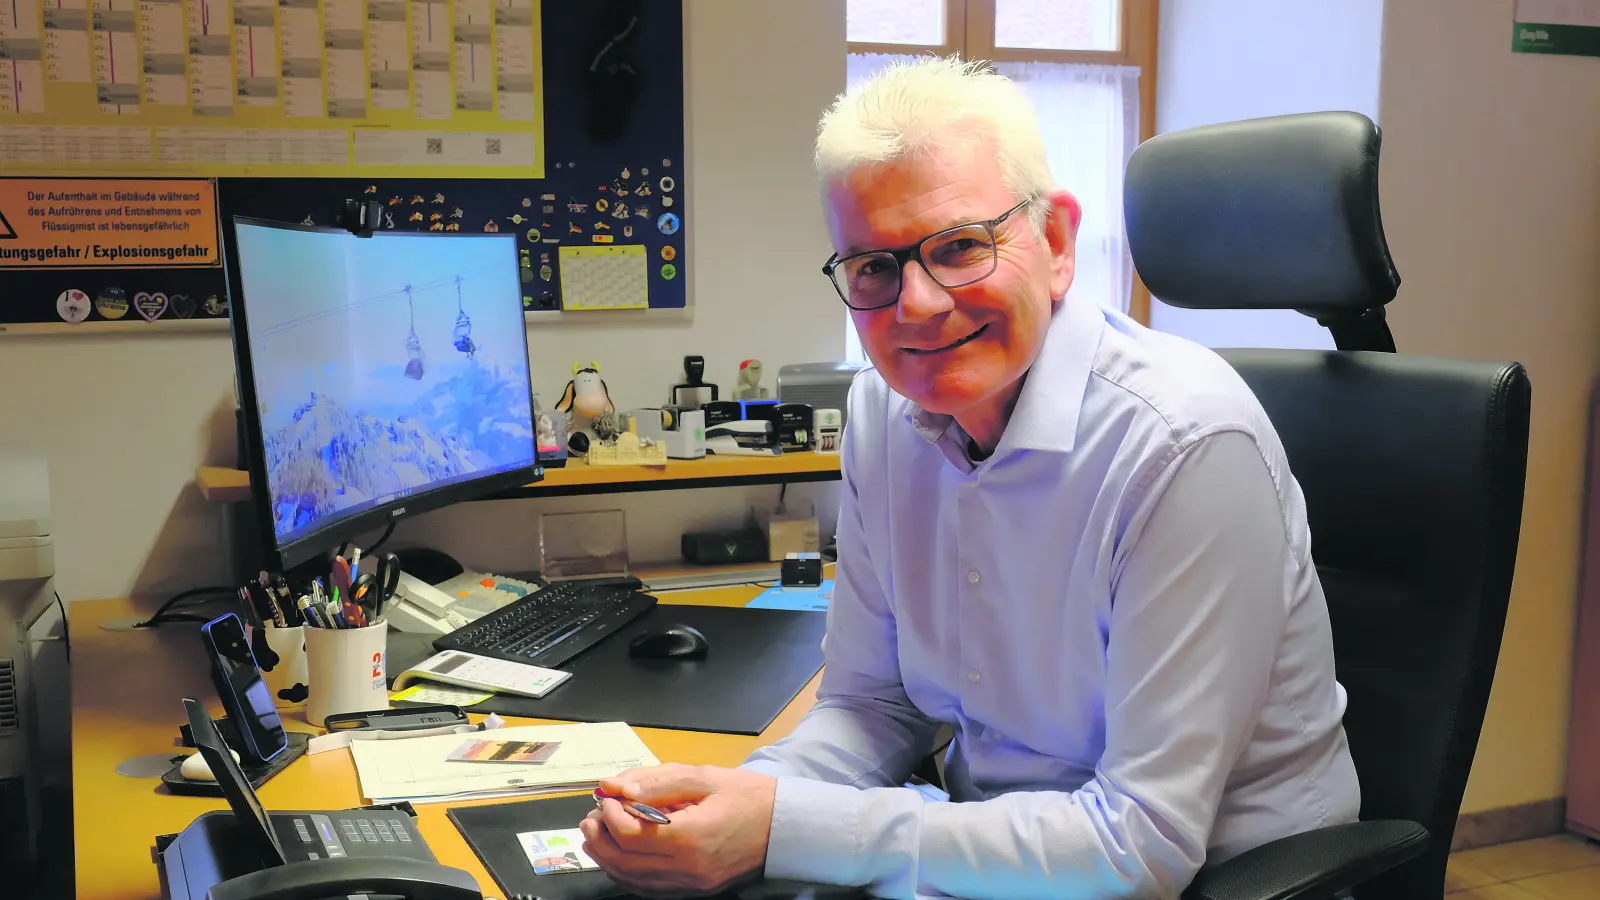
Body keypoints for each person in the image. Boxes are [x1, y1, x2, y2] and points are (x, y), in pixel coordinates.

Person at [578, 55, 1360, 899]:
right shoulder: (881, 416)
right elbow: (874, 706)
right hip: (988, 851)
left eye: (959, 246)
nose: (915, 303)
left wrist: (782, 828)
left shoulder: (1184, 443)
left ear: (1056, 243)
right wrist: (742, 800)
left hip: (1210, 879)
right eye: (873, 266)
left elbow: (1142, 845)